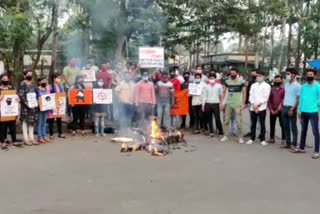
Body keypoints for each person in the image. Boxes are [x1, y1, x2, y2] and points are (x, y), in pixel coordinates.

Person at [293, 69, 320, 159]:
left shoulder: (317, 86)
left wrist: (316, 105)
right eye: (308, 74)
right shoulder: (303, 86)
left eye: (311, 74)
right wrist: (299, 111)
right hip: (303, 112)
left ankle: (316, 151)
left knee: (315, 132)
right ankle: (301, 148)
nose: (309, 76)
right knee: (303, 130)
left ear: (314, 76)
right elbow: (301, 99)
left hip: (313, 112)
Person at [220, 68, 246, 144]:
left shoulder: (241, 82)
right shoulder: (227, 81)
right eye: (231, 73)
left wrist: (243, 103)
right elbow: (224, 92)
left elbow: (244, 93)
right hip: (228, 103)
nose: (232, 74)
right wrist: (222, 103)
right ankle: (225, 135)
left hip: (237, 104)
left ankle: (240, 137)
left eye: (234, 73)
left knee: (239, 121)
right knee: (226, 120)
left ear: (237, 73)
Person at [246, 70, 271, 146]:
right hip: (253, 107)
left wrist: (258, 105)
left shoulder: (267, 86)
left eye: (260, 76)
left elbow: (265, 97)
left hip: (261, 108)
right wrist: (253, 104)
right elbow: (250, 95)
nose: (258, 77)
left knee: (262, 123)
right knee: (253, 123)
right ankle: (252, 138)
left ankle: (262, 139)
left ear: (263, 77)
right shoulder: (253, 85)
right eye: (257, 76)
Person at [281, 67, 300, 150]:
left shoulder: (298, 86)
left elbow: (298, 99)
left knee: (293, 127)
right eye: (286, 74)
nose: (287, 75)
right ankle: (288, 143)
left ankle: (294, 144)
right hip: (284, 107)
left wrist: (292, 109)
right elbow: (285, 96)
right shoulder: (286, 84)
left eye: (288, 74)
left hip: (291, 108)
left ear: (293, 75)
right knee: (285, 126)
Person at [18, 70, 39, 146]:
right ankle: (26, 139)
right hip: (25, 106)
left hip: (33, 106)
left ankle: (31, 138)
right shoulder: (22, 84)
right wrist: (28, 103)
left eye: (31, 74)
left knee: (32, 122)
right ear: (25, 75)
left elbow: (36, 93)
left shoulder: (33, 84)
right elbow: (21, 95)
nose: (30, 75)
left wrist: (36, 101)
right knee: (25, 122)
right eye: (28, 74)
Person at [0, 73, 20, 150]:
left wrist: (18, 99)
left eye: (7, 79)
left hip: (11, 111)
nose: (6, 80)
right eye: (4, 79)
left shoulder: (12, 89)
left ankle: (14, 140)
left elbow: (17, 98)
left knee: (12, 125)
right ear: (0, 80)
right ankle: (2, 141)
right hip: (2, 112)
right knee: (2, 126)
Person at [201, 73, 223, 137]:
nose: (211, 79)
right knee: (209, 119)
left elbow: (221, 95)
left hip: (216, 104)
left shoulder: (219, 86)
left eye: (213, 78)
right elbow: (204, 96)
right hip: (208, 104)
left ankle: (221, 132)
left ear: (215, 79)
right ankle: (211, 132)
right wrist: (203, 105)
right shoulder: (206, 86)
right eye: (210, 78)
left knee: (217, 118)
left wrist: (221, 104)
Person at [47, 73, 66, 140]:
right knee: (51, 120)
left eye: (60, 78)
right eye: (58, 78)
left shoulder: (61, 86)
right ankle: (51, 134)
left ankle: (60, 133)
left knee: (59, 120)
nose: (59, 79)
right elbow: (48, 96)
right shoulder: (49, 86)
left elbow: (63, 94)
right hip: (52, 105)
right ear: (54, 78)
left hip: (60, 105)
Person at [268, 75, 285, 144]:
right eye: (276, 80)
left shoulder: (283, 89)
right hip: (272, 110)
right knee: (272, 125)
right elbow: (269, 100)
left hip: (281, 110)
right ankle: (272, 138)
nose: (277, 81)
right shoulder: (272, 89)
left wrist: (278, 109)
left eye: (278, 80)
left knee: (282, 125)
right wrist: (271, 109)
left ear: (281, 81)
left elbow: (284, 99)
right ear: (274, 81)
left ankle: (284, 139)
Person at [244, 69, 258, 138]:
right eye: (252, 74)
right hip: (251, 102)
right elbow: (247, 92)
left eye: (254, 74)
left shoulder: (262, 83)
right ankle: (251, 131)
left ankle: (260, 133)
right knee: (251, 118)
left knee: (259, 119)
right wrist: (246, 102)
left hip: (259, 103)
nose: (253, 76)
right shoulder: (250, 82)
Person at [36, 77, 50, 144]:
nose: (44, 82)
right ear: (39, 82)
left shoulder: (46, 89)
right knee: (39, 122)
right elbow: (35, 99)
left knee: (44, 122)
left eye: (45, 81)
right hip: (39, 109)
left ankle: (44, 135)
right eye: (43, 81)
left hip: (46, 108)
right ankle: (39, 136)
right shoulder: (37, 90)